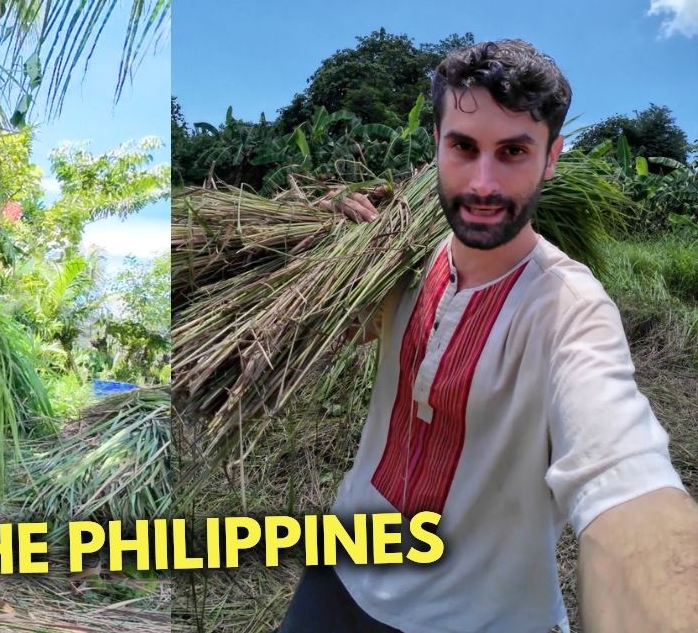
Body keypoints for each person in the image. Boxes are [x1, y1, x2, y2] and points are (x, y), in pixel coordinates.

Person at [282, 40, 698, 632]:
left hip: (478, 618)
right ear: (436, 146)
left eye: (512, 152)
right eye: (463, 147)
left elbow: (622, 476)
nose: (483, 182)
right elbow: (341, 335)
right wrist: (335, 262)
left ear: (551, 157)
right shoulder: (400, 262)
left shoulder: (569, 308)